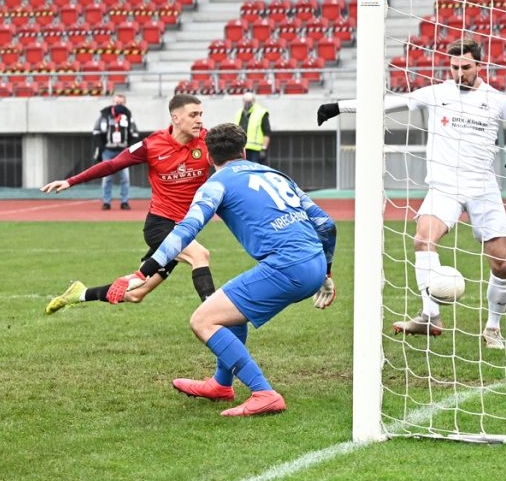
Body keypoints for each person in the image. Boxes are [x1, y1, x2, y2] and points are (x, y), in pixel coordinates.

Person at [317, 38, 506, 349]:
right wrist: (338, 107)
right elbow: (386, 103)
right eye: (453, 67)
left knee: (501, 263)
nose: (459, 73)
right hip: (444, 185)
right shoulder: (438, 94)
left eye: (465, 67)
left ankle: (492, 328)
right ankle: (430, 315)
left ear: (479, 66)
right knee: (423, 238)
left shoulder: (497, 100)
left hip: (482, 187)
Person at [106, 122, 337, 417]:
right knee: (227, 310)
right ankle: (221, 384)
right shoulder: (277, 175)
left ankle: (263, 392)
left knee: (202, 321)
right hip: (314, 262)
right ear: (244, 150)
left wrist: (144, 271)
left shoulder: (217, 183)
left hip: (287, 267)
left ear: (209, 158)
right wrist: (326, 273)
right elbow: (326, 225)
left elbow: (186, 229)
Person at [41, 93, 218, 311]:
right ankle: (215, 315)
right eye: (193, 115)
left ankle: (78, 294)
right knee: (200, 255)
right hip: (161, 226)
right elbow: (112, 165)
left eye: (201, 114)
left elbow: (234, 163)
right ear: (176, 117)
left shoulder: (209, 142)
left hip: (186, 227)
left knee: (136, 294)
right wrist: (71, 181)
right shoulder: (152, 145)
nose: (199, 120)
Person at [93, 98, 136, 211]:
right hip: (108, 150)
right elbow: (96, 131)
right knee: (107, 178)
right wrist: (101, 146)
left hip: (123, 151)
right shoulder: (104, 115)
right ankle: (106, 202)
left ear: (125, 104)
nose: (119, 105)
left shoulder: (128, 116)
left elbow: (134, 132)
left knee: (125, 178)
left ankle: (124, 202)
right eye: (117, 103)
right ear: (113, 103)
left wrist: (129, 146)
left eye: (121, 103)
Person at [234, 90, 272, 164]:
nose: (247, 104)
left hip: (256, 150)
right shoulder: (239, 113)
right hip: (242, 149)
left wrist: (264, 148)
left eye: (249, 102)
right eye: (245, 101)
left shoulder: (261, 112)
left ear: (254, 101)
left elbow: (267, 132)